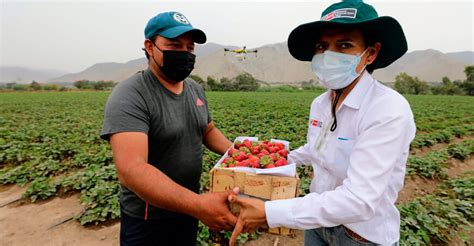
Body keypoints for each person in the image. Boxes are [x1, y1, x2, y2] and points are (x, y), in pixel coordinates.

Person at [228, 0, 416, 245]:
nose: (329, 55)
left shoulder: (387, 109)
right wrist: (277, 160)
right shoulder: (320, 103)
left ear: (371, 53)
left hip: (360, 237)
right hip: (317, 225)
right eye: (322, 46)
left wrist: (270, 212)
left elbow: (358, 200)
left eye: (344, 45)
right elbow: (316, 149)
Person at [100, 11, 237, 245]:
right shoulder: (131, 94)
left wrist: (238, 151)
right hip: (149, 218)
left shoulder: (194, 89)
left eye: (190, 47)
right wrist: (199, 205)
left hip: (188, 207)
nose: (184, 53)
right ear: (150, 46)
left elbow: (207, 130)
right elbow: (131, 169)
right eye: (174, 45)